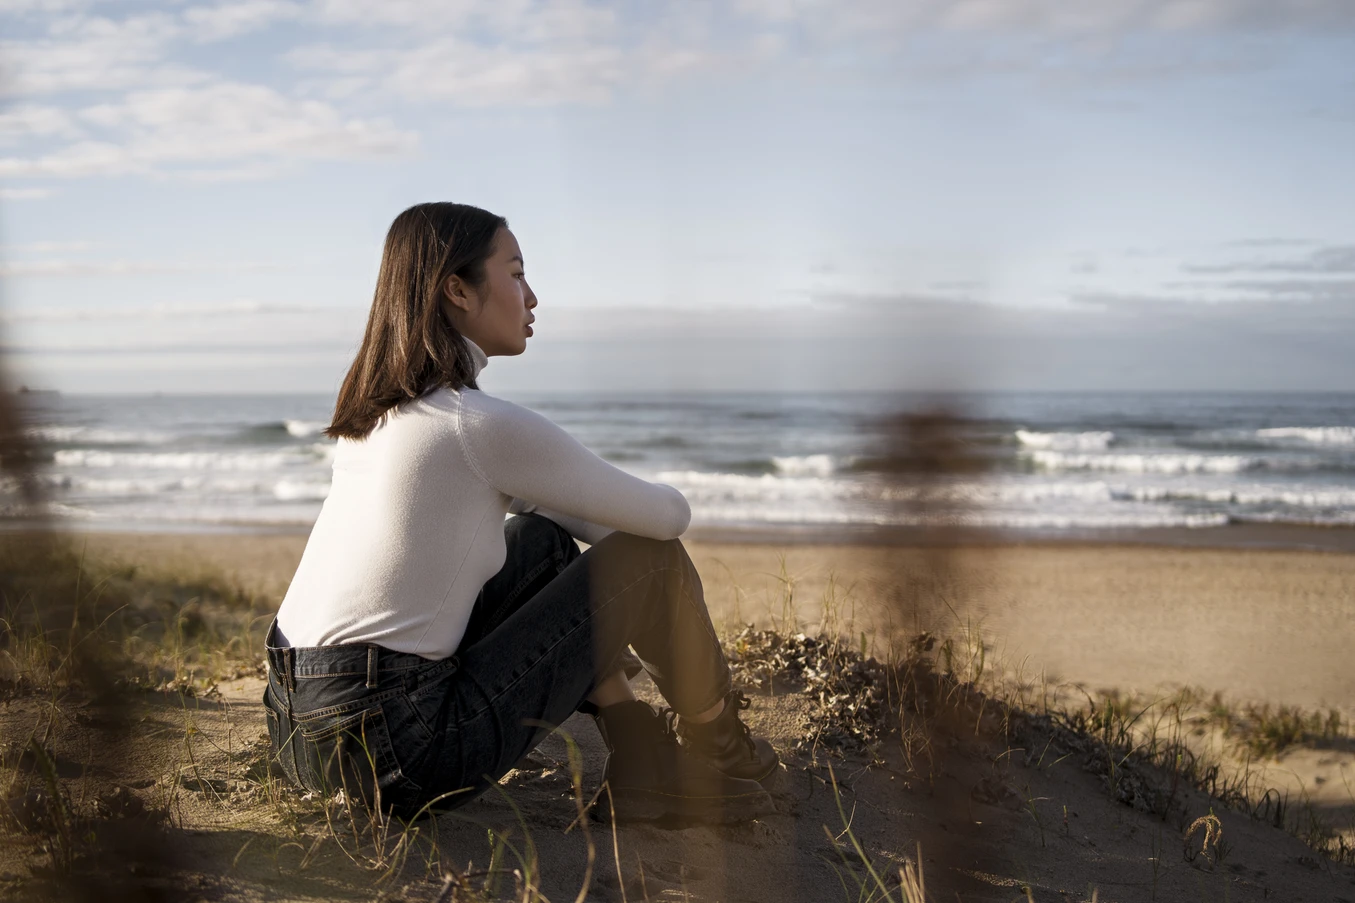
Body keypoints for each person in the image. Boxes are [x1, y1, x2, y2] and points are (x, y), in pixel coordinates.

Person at [263, 202, 779, 824]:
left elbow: (546, 513)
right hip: (398, 750)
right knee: (653, 562)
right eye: (515, 274)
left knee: (543, 543)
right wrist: (627, 575)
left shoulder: (377, 418)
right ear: (457, 288)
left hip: (297, 732)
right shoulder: (474, 427)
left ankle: (641, 751)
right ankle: (720, 746)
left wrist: (578, 538)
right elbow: (668, 518)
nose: (532, 297)